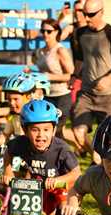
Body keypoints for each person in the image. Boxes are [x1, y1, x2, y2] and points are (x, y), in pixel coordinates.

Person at [2, 99, 81, 215]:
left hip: (64, 184)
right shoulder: (21, 143)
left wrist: (58, 181)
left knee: (66, 212)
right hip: (42, 184)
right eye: (35, 130)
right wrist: (8, 171)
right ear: (25, 130)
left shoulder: (62, 149)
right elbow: (8, 152)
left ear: (54, 130)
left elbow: (76, 173)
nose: (40, 135)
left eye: (46, 130)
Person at [71, 0, 111, 164]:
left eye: (91, 15)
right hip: (87, 93)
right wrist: (74, 75)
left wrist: (108, 78)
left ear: (101, 12)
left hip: (109, 96)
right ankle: (96, 158)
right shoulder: (79, 34)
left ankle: (104, 162)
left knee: (110, 138)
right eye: (85, 14)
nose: (87, 18)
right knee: (78, 132)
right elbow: (79, 58)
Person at [33, 18, 78, 149]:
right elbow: (39, 71)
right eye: (43, 31)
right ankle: (80, 146)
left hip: (62, 95)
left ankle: (83, 149)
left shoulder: (60, 51)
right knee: (50, 129)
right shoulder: (40, 52)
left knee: (55, 131)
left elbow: (71, 75)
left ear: (56, 32)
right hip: (47, 95)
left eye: (49, 31)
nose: (46, 34)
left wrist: (50, 76)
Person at [0, 71, 49, 150]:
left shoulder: (37, 116)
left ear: (28, 96)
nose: (12, 103)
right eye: (9, 99)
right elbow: (5, 135)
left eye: (15, 99)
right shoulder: (15, 117)